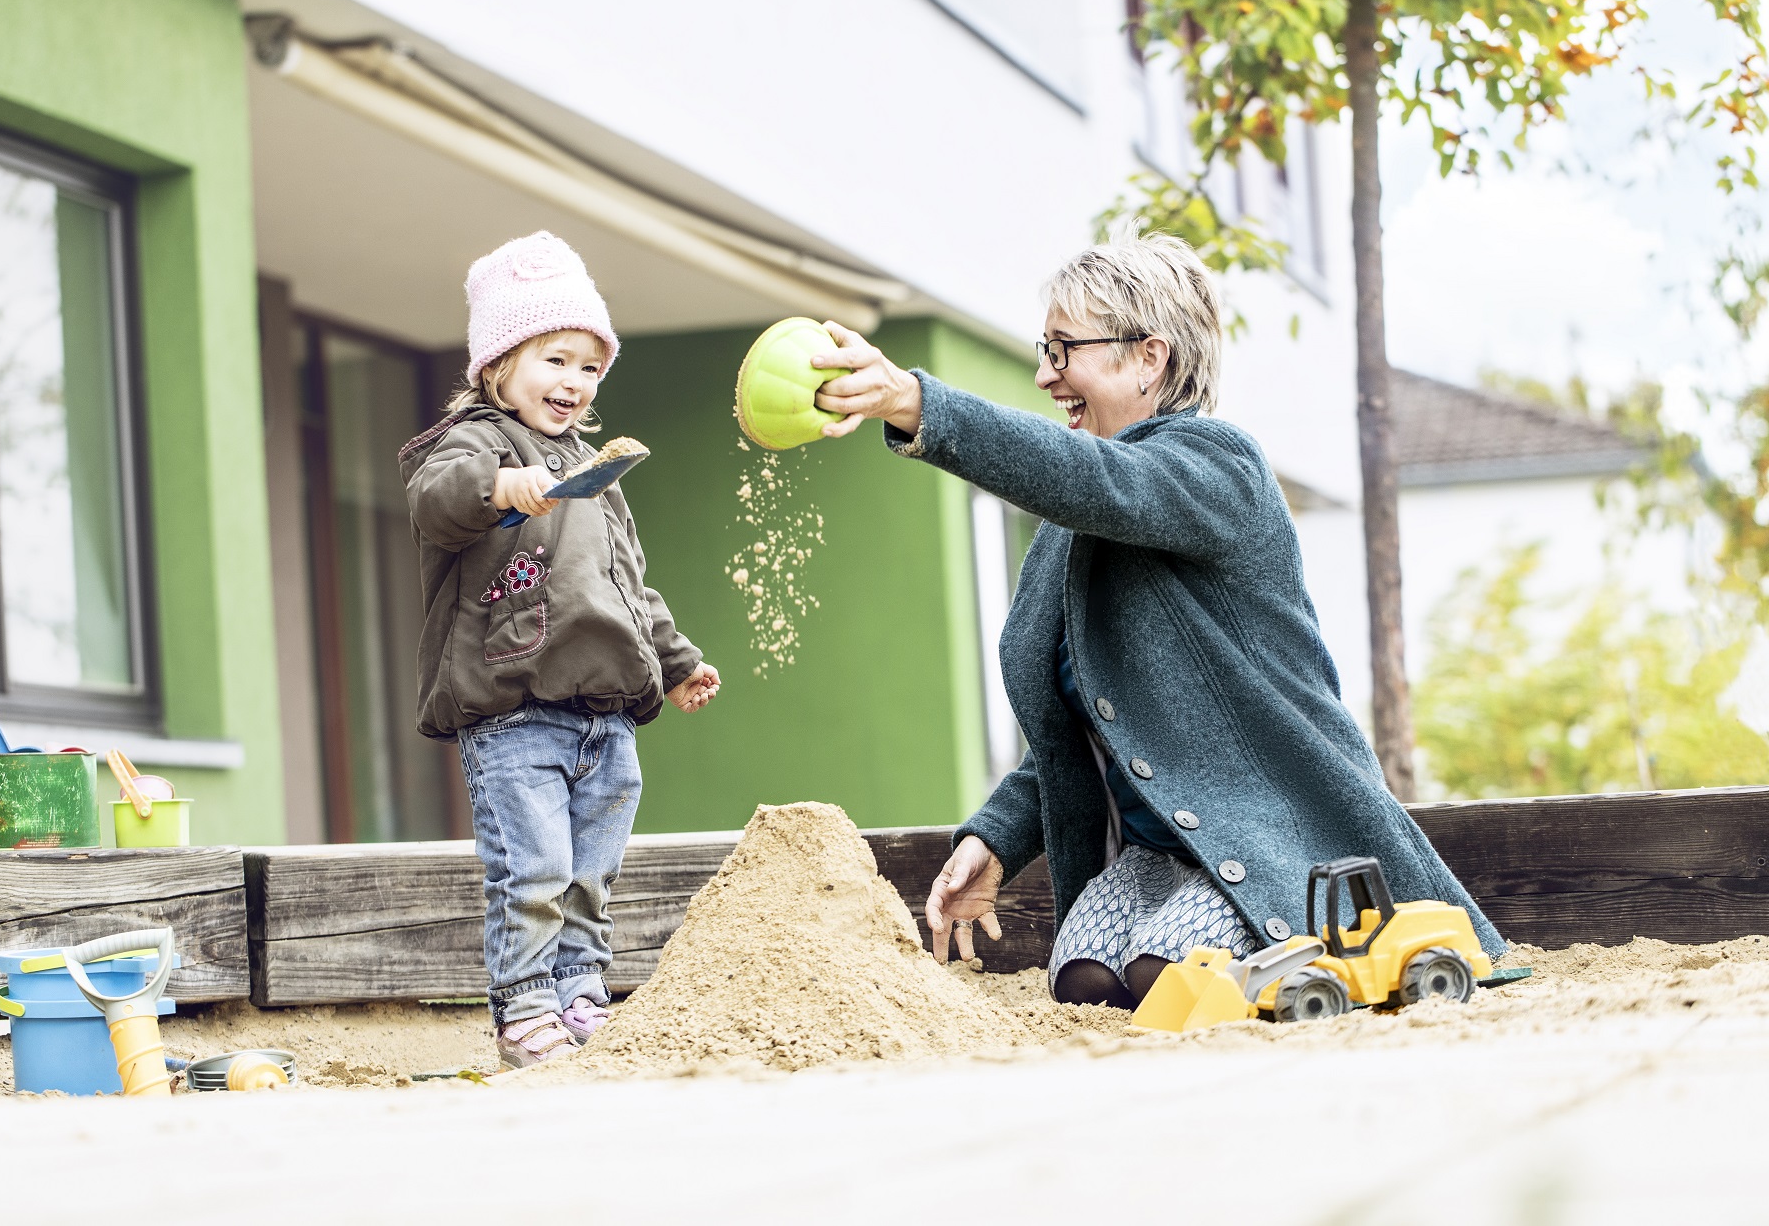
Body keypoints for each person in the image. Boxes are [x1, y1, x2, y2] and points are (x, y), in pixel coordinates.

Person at [811, 222, 1503, 1009]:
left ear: (1150, 356)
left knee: (1168, 976)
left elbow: (1097, 479)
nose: (1044, 374)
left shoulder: (1220, 467)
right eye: (1045, 348)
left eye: (1064, 349)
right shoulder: (1068, 534)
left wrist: (917, 402)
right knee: (1085, 979)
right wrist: (995, 838)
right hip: (1146, 860)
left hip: (1268, 843)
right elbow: (1086, 731)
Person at [399, 231, 721, 1067]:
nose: (573, 381)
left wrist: (677, 659)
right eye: (553, 358)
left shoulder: (590, 469)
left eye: (587, 365)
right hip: (513, 709)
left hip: (603, 717)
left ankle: (581, 992)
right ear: (498, 365)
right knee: (533, 867)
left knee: (590, 872)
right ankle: (524, 1007)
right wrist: (500, 486)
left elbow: (625, 581)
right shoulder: (474, 444)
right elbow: (436, 503)